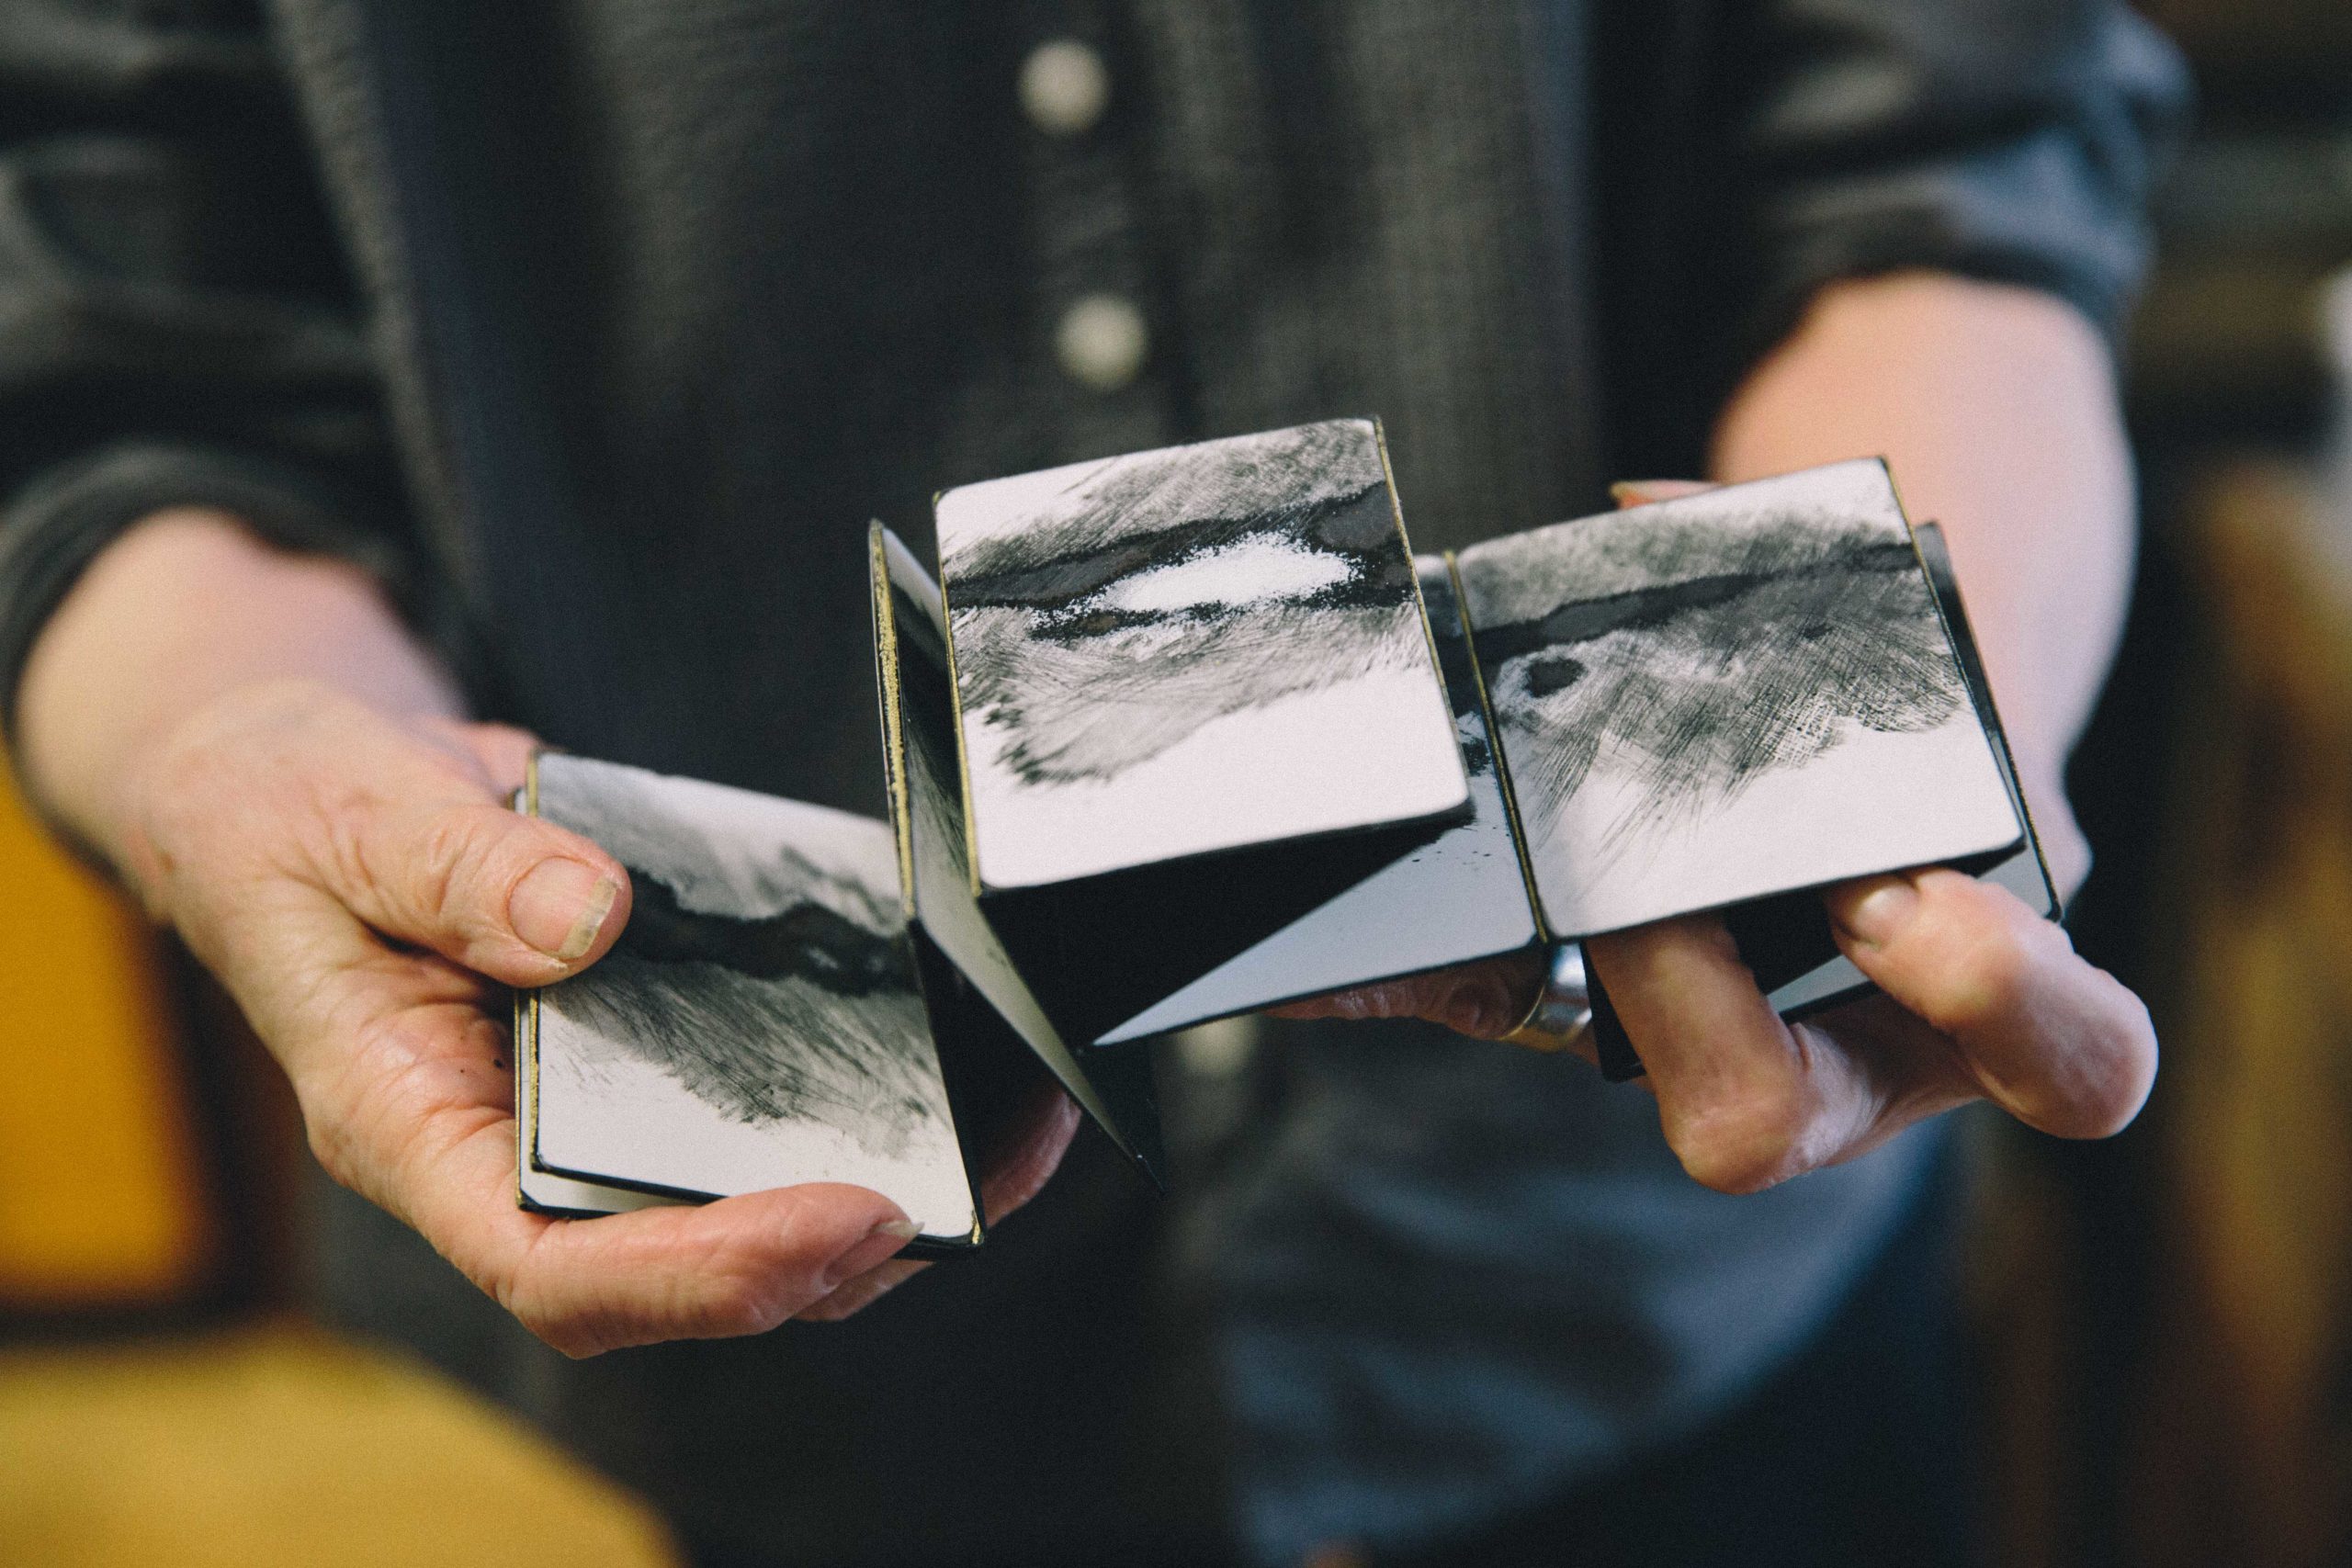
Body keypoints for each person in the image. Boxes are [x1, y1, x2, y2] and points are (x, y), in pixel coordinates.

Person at [0, 3, 2184, 1564]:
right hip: (814, 1328)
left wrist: (1908, 719)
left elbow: (1940, 164)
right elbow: (113, 370)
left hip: (1678, 1264)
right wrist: (237, 738)